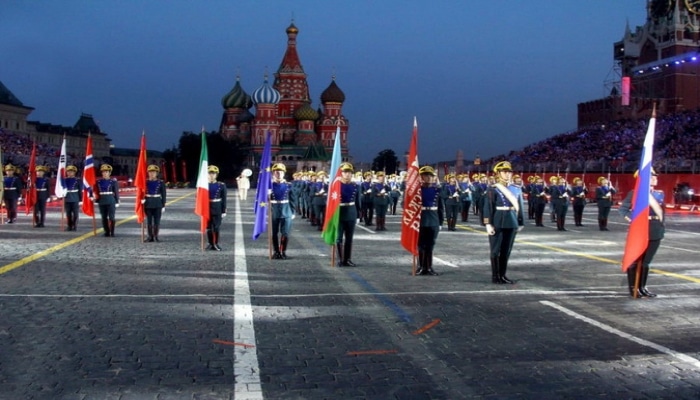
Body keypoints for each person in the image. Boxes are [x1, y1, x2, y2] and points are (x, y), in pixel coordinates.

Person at [619, 169, 664, 298]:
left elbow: (661, 213)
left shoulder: (659, 194)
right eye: (652, 176)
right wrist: (635, 221)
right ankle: (633, 288)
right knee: (635, 259)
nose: (655, 178)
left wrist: (662, 227)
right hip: (641, 229)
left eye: (655, 176)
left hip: (655, 229)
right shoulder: (635, 193)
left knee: (646, 262)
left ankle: (642, 287)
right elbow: (623, 210)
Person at [481, 161, 524, 284]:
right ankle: (496, 276)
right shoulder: (493, 189)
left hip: (511, 221)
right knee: (495, 250)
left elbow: (520, 206)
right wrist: (488, 223)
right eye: (505, 172)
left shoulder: (516, 189)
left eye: (509, 172)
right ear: (498, 174)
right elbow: (488, 207)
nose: (508, 174)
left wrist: (520, 222)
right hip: (498, 221)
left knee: (506, 250)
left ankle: (503, 275)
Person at [416, 165, 443, 275]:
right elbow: (406, 205)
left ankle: (429, 267)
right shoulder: (416, 191)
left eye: (431, 176)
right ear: (421, 177)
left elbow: (441, 208)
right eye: (426, 175)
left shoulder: (437, 190)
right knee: (421, 244)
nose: (429, 178)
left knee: (430, 244)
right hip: (421, 219)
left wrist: (440, 222)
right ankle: (421, 267)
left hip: (433, 219)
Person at [336, 162, 361, 267]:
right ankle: (341, 259)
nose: (347, 174)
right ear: (341, 173)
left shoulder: (355, 186)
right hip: (339, 213)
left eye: (350, 172)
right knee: (339, 238)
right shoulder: (336, 186)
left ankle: (348, 259)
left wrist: (359, 215)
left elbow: (358, 202)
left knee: (349, 238)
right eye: (345, 172)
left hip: (351, 212)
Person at [270, 163, 295, 259]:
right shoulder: (269, 186)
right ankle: (276, 251)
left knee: (285, 233)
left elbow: (293, 199)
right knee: (274, 233)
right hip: (274, 210)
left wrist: (292, 212)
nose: (278, 174)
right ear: (273, 174)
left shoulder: (289, 185)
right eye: (276, 172)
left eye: (280, 172)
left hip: (286, 210)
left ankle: (283, 251)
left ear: (284, 173)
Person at [95, 164, 120, 237]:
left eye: (106, 172)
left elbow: (116, 192)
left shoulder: (113, 182)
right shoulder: (98, 182)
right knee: (104, 217)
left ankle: (112, 232)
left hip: (111, 200)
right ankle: (107, 231)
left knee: (111, 217)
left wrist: (117, 201)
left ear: (109, 173)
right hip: (102, 200)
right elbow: (96, 191)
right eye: (103, 172)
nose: (104, 173)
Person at [143, 164, 167, 242]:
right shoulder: (145, 182)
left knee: (157, 221)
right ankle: (150, 237)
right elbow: (141, 192)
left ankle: (156, 236)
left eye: (154, 172)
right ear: (148, 173)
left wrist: (163, 205)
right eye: (150, 172)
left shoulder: (161, 183)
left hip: (157, 203)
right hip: (148, 203)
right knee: (149, 221)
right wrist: (142, 199)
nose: (152, 174)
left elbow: (164, 194)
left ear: (157, 173)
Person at [206, 165, 227, 251]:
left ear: (216, 175)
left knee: (216, 227)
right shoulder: (204, 185)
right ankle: (210, 244)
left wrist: (223, 210)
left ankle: (216, 243)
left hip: (217, 207)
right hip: (207, 207)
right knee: (209, 228)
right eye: (210, 173)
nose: (211, 175)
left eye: (213, 174)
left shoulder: (221, 185)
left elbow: (224, 198)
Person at [63, 165, 82, 231]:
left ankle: (75, 225)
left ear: (74, 172)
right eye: (68, 171)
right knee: (68, 214)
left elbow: (80, 190)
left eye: (71, 171)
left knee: (75, 214)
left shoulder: (78, 180)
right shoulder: (64, 180)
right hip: (67, 198)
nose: (70, 173)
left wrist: (81, 199)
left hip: (75, 198)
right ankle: (69, 226)